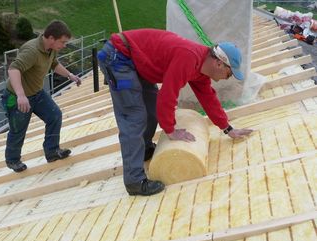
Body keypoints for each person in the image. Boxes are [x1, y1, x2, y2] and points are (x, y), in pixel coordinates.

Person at [97, 28, 253, 196]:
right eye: (229, 73)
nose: (227, 77)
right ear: (219, 63)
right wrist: (170, 130)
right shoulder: (189, 57)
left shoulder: (201, 68)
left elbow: (209, 99)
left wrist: (227, 128)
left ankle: (144, 150)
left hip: (136, 60)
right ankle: (134, 181)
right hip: (119, 56)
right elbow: (168, 95)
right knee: (134, 116)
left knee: (151, 110)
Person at [2, 20, 81, 173]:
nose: (64, 45)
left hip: (36, 93)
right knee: (18, 129)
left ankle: (52, 151)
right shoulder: (32, 51)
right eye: (62, 42)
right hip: (16, 96)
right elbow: (13, 69)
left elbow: (54, 64)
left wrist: (70, 75)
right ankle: (13, 160)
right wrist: (21, 95)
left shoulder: (51, 49)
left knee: (54, 116)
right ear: (51, 38)